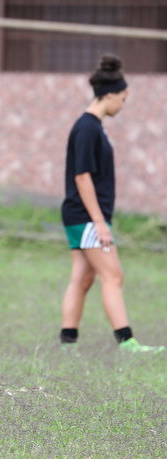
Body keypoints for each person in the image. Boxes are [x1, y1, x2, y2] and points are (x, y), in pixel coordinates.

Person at [59, 54, 163, 354]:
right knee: (113, 275)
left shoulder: (92, 125)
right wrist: (100, 221)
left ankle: (67, 343)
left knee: (82, 278)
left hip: (81, 215)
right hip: (87, 216)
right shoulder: (88, 127)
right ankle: (127, 342)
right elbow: (82, 178)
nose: (123, 105)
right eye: (123, 99)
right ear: (110, 95)